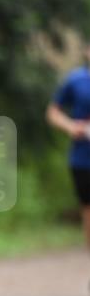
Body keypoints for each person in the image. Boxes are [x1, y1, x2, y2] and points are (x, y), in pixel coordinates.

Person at [46, 43, 90, 248]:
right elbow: (53, 112)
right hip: (83, 157)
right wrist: (71, 126)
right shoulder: (76, 80)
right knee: (88, 207)